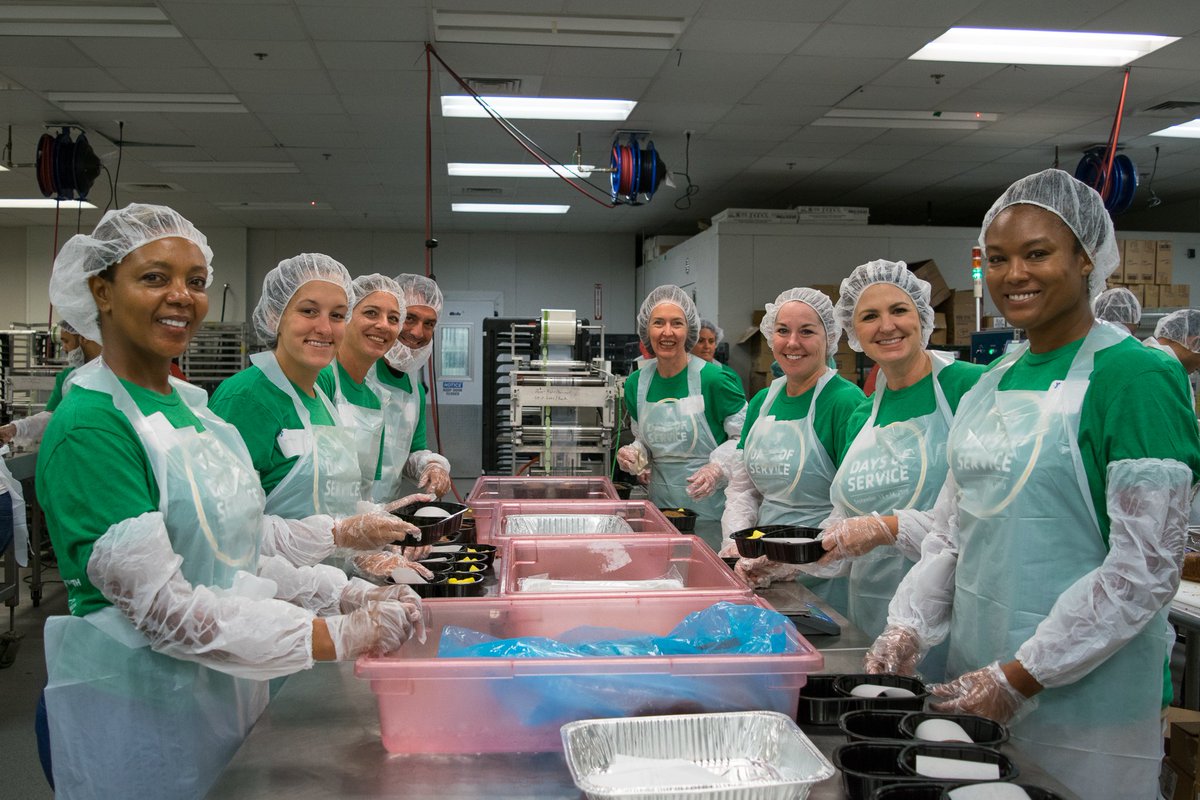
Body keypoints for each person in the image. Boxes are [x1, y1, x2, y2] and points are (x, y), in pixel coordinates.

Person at [36, 204, 425, 800]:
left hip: (226, 688)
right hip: (143, 705)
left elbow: (238, 545)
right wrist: (336, 635)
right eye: (154, 277)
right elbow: (164, 611)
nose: (181, 296)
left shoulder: (191, 409)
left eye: (195, 282)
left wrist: (343, 589)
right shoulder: (92, 425)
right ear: (101, 291)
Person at [865, 169, 1200, 799]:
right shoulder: (991, 381)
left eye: (1037, 254)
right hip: (976, 678)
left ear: (1085, 258)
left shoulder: (1135, 377)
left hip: (1089, 701)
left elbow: (1145, 568)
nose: (1013, 274)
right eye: (997, 259)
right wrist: (908, 624)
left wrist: (1021, 676)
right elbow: (951, 535)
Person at [747, 261, 985, 678]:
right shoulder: (863, 414)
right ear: (854, 332)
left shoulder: (967, 387)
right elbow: (844, 525)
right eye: (869, 316)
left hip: (950, 616)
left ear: (922, 317)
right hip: (870, 614)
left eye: (899, 310)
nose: (886, 326)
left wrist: (887, 527)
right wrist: (790, 560)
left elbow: (983, 520)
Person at [210, 255, 423, 568]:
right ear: (274, 315)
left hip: (320, 594)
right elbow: (223, 529)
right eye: (309, 311)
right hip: (264, 598)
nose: (324, 328)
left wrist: (374, 532)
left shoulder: (320, 400)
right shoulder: (247, 397)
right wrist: (338, 536)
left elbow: (329, 501)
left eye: (337, 315)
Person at [723, 288, 865, 613]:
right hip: (761, 569)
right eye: (783, 330)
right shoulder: (762, 401)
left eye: (807, 332)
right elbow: (743, 489)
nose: (792, 343)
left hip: (827, 574)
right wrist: (736, 543)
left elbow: (855, 508)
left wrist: (792, 561)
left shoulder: (845, 402)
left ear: (829, 338)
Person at [616, 285, 746, 520]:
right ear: (647, 330)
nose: (667, 332)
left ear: (689, 330)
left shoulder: (714, 380)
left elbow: (745, 439)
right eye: (658, 323)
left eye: (677, 323)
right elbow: (643, 439)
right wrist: (635, 454)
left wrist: (716, 468)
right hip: (660, 512)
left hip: (713, 513)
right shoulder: (637, 384)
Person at [316, 274, 404, 500]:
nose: (383, 325)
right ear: (345, 317)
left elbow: (364, 488)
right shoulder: (320, 379)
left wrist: (375, 516)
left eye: (393, 318)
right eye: (371, 313)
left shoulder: (375, 399)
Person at [367, 273, 452, 503]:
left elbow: (410, 451)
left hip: (383, 516)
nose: (417, 332)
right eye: (409, 318)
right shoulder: (356, 370)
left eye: (429, 324)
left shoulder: (414, 387)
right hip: (333, 517)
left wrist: (431, 465)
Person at [0, 321, 101, 448]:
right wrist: (16, 428)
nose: (63, 348)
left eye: (66, 341)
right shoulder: (68, 378)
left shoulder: (111, 375)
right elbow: (52, 417)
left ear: (84, 338)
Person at [692, 318, 743, 393]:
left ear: (716, 344)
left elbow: (740, 403)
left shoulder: (728, 374)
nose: (707, 346)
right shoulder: (681, 372)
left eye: (711, 341)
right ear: (690, 343)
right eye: (700, 341)